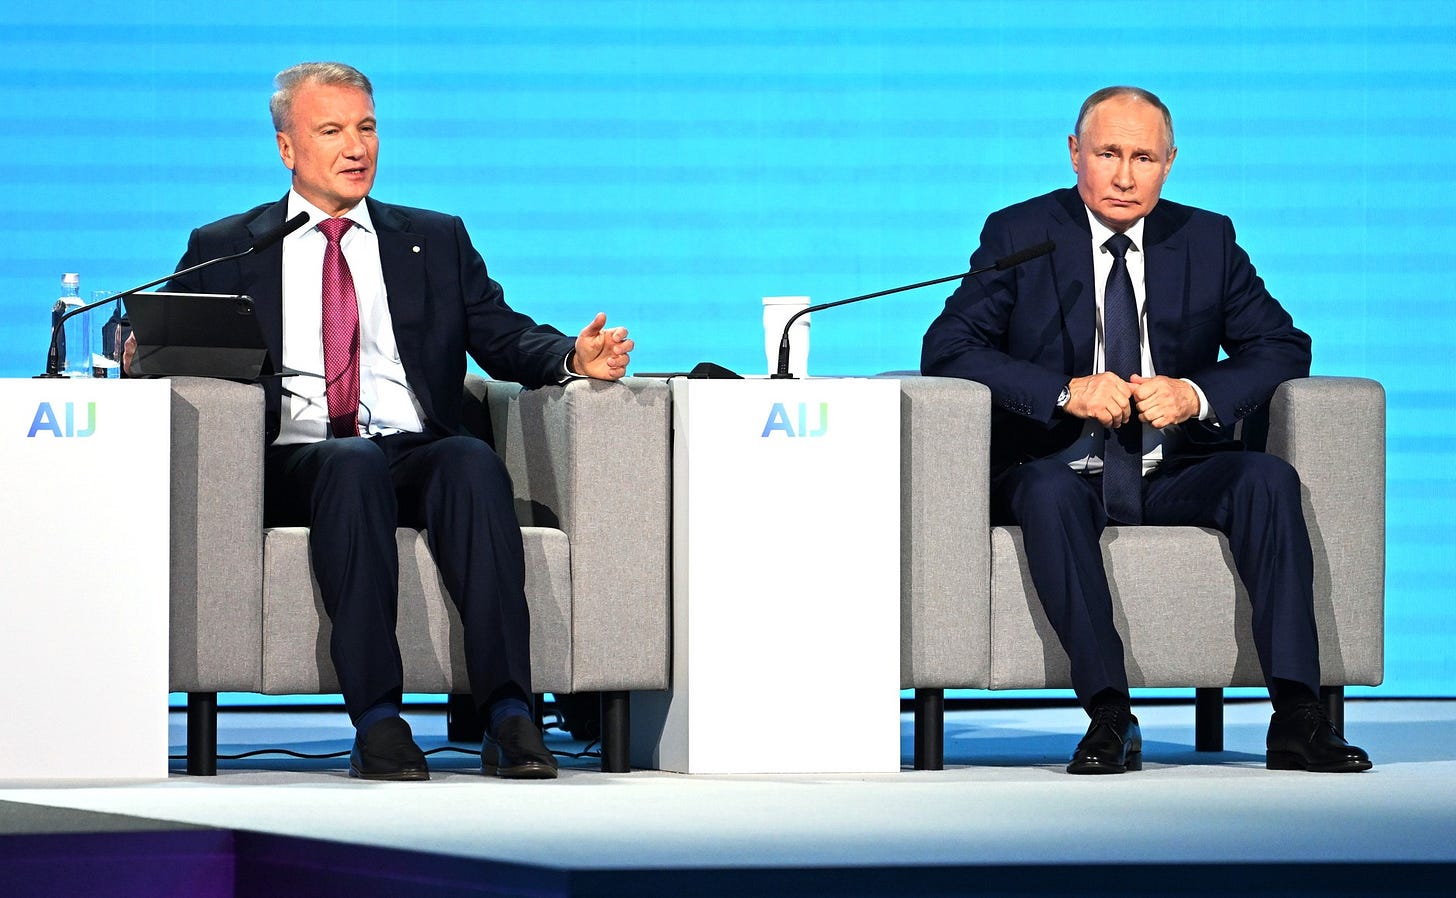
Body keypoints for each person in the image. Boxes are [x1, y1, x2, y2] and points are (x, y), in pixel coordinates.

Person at [128, 61, 633, 780]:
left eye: (366, 128)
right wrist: (140, 352)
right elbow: (173, 339)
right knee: (351, 460)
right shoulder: (229, 247)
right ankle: (378, 722)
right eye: (331, 130)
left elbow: (501, 332)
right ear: (287, 147)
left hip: (413, 447)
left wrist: (570, 358)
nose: (355, 147)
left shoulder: (433, 238)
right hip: (300, 458)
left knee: (470, 460)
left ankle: (509, 714)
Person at [921, 86, 1370, 775]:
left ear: (1170, 163)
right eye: (1108, 154)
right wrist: (1065, 391)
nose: (1125, 176)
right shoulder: (1021, 235)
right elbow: (948, 347)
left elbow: (1282, 345)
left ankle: (1299, 717)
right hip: (1054, 467)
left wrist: (1195, 394)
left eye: (1144, 158)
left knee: (1266, 478)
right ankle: (1110, 716)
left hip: (1172, 469)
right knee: (1048, 492)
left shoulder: (1206, 239)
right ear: (1075, 153)